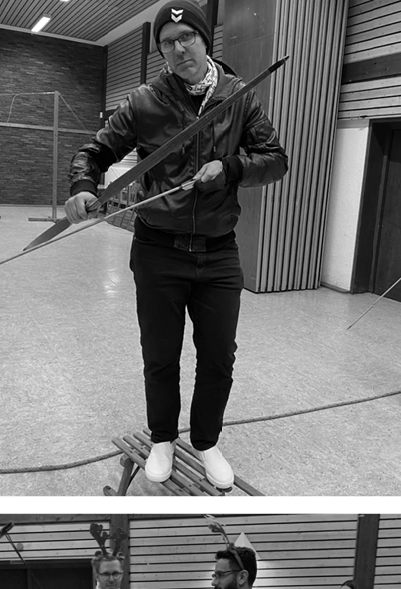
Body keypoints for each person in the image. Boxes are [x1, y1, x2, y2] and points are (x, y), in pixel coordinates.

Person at [66, 1, 288, 489]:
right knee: (160, 354)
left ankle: (207, 441)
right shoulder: (145, 101)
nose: (178, 47)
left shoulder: (240, 96)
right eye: (167, 42)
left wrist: (231, 168)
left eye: (187, 36)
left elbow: (275, 159)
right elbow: (96, 150)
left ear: (206, 39)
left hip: (218, 251)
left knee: (218, 356)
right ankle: (163, 437)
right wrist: (84, 183)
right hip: (158, 249)